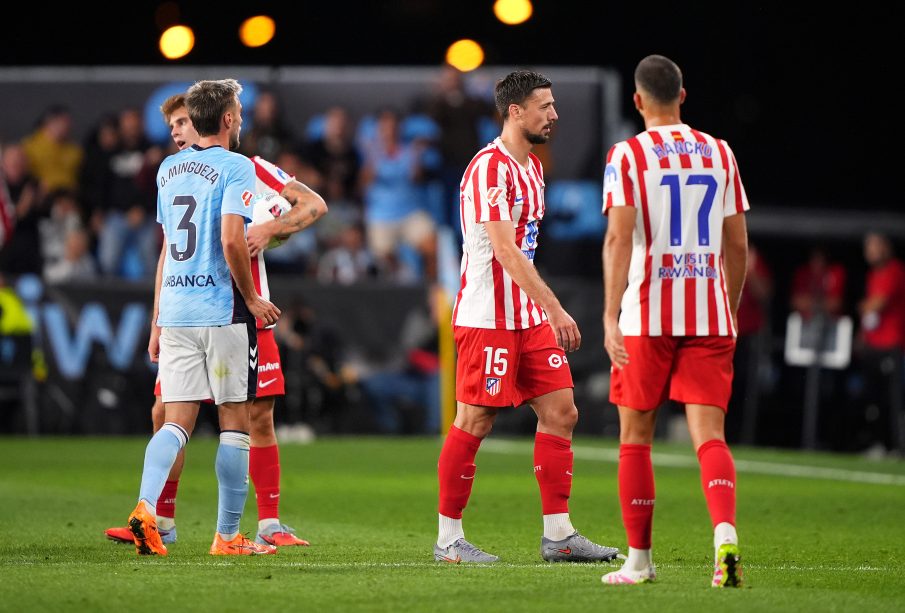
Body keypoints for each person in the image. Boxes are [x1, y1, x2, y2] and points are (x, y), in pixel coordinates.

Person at [105, 92, 327, 548]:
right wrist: (156, 321)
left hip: (203, 311)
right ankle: (199, 528)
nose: (177, 131)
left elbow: (312, 205)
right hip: (229, 310)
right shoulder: (211, 168)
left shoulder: (244, 168)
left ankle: (266, 523)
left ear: (199, 120)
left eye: (182, 122)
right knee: (220, 420)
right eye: (172, 125)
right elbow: (204, 244)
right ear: (225, 119)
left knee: (245, 415)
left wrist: (271, 228)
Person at [434, 70, 619, 564]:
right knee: (475, 419)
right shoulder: (488, 168)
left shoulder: (533, 166)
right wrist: (554, 307)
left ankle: (559, 535)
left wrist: (540, 309)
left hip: (526, 317)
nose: (554, 114)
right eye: (545, 106)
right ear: (515, 111)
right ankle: (448, 539)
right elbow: (505, 249)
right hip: (487, 317)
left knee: (562, 412)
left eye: (554, 105)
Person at [601, 55, 748, 587]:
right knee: (710, 436)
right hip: (709, 312)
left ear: (638, 101)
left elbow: (619, 238)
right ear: (682, 96)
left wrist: (610, 314)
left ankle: (639, 561)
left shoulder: (628, 154)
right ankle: (725, 537)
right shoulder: (721, 151)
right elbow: (738, 244)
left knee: (636, 437)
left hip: (647, 314)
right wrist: (729, 308)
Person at [122, 78, 281, 557]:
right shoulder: (236, 166)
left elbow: (168, 247)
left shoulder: (168, 169)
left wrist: (156, 321)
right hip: (222, 311)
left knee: (175, 423)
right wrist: (252, 298)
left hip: (176, 310)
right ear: (228, 119)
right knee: (235, 423)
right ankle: (227, 536)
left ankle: (146, 507)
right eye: (239, 112)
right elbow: (232, 239)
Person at [856, 232, 905, 455]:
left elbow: (877, 304)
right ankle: (878, 443)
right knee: (873, 399)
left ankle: (897, 446)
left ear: (886, 247)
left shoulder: (895, 270)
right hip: (873, 345)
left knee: (893, 399)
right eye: (868, 248)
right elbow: (869, 314)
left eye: (875, 246)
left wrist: (864, 306)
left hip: (891, 344)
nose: (871, 252)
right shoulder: (872, 275)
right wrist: (861, 336)